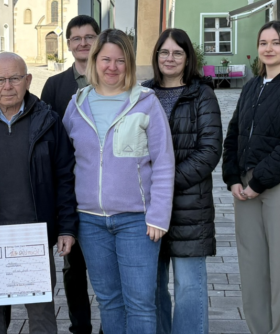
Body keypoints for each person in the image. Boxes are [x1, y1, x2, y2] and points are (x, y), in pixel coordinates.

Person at [0, 52, 78, 334]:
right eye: (0, 79)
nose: (8, 86)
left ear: (28, 80)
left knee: (42, 315)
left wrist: (66, 227)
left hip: (33, 237)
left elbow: (65, 179)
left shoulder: (49, 122)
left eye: (15, 78)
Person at [63, 29, 175, 334]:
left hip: (137, 221)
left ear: (129, 63)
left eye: (120, 60)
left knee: (140, 302)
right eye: (105, 59)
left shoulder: (146, 102)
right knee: (109, 301)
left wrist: (158, 215)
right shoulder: (77, 104)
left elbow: (164, 162)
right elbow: (64, 163)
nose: (112, 67)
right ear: (94, 61)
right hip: (89, 221)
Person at [223, 20, 280, 334]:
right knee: (253, 271)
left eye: (276, 42)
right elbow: (234, 132)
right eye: (263, 42)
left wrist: (258, 182)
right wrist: (233, 178)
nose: (268, 48)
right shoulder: (251, 86)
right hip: (245, 188)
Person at [141, 29, 222, 334]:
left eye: (177, 53)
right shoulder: (143, 94)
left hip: (191, 208)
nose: (170, 58)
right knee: (154, 287)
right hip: (149, 208)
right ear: (156, 56)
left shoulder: (202, 94)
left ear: (188, 58)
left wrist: (164, 183)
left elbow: (210, 151)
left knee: (189, 287)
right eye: (164, 52)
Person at [40, 14, 101, 334]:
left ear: (98, 39)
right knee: (73, 265)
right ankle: (81, 327)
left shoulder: (111, 78)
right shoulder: (55, 85)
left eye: (89, 37)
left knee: (105, 266)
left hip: (105, 189)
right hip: (69, 188)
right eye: (76, 38)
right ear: (68, 44)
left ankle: (111, 325)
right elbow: (45, 134)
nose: (82, 43)